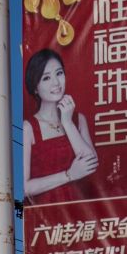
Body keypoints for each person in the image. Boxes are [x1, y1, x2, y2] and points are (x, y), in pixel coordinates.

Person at [20, 49, 97, 205]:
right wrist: (68, 175)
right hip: (46, 220)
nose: (56, 83)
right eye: (46, 78)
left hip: (81, 213)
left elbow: (91, 163)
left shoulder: (78, 119)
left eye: (59, 73)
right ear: (35, 87)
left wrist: (67, 122)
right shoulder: (28, 128)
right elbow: (25, 187)